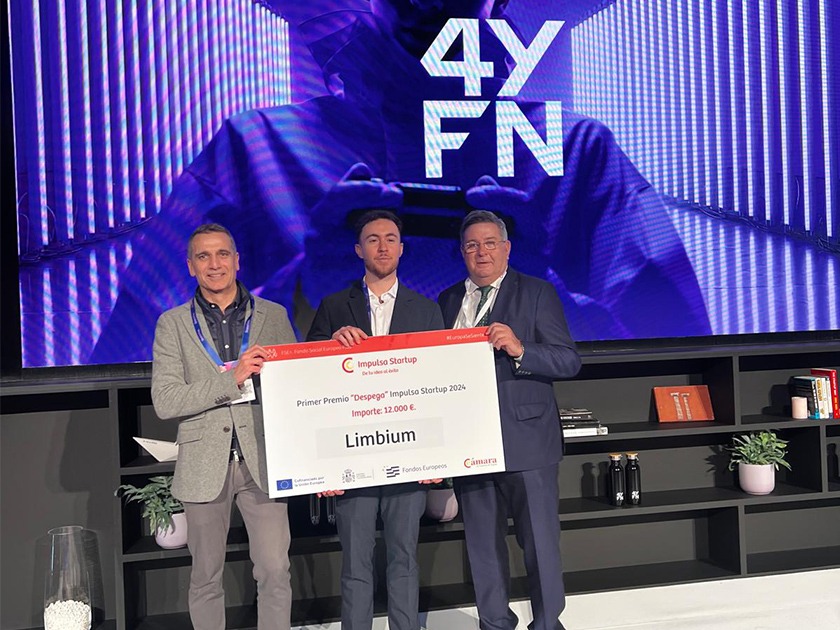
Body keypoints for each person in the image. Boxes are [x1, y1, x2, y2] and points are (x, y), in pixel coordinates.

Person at [90, 0, 710, 364]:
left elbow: (680, 360)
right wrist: (304, 294)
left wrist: (538, 297)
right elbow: (139, 362)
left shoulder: (579, 158)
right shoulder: (252, 152)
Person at [438, 210, 581, 630]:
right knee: (482, 548)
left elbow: (568, 360)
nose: (481, 252)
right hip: (470, 444)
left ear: (506, 248)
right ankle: (495, 623)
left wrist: (521, 350)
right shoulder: (447, 300)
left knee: (539, 545)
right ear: (462, 252)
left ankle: (547, 624)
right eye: (471, 245)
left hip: (528, 442)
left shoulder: (536, 292)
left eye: (489, 243)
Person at [150, 223, 297, 630]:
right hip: (203, 464)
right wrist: (232, 380)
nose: (214, 264)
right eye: (203, 256)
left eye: (222, 254)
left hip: (262, 460)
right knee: (206, 576)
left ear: (237, 260)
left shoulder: (273, 315)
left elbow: (293, 389)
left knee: (275, 571)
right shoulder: (172, 324)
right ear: (191, 266)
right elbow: (166, 400)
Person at [306, 209, 445, 630]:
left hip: (409, 453)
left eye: (390, 239)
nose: (382, 247)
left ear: (402, 249)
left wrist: (437, 457)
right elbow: (307, 381)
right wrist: (329, 346)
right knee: (356, 562)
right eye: (372, 239)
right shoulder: (334, 307)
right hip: (353, 455)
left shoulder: (427, 310)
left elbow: (440, 386)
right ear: (358, 250)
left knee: (404, 557)